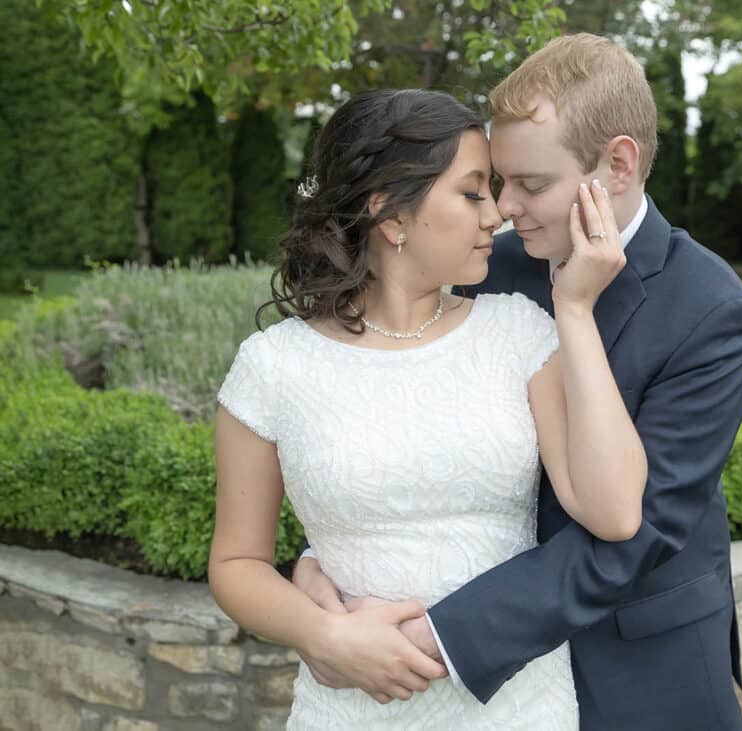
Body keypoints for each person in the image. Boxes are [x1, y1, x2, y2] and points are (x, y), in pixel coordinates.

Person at [294, 34, 742, 730]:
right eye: (498, 180)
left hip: (641, 668)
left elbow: (635, 534)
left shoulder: (711, 310)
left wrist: (439, 635)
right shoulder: (490, 268)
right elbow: (411, 428)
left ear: (619, 164)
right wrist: (330, 553)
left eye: (532, 184)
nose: (504, 206)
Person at [208, 87, 648, 729]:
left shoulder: (520, 332)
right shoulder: (273, 365)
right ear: (390, 214)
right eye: (472, 192)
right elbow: (236, 563)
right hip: (350, 708)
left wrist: (574, 310)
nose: (496, 213)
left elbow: (613, 512)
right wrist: (323, 636)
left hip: (519, 707)